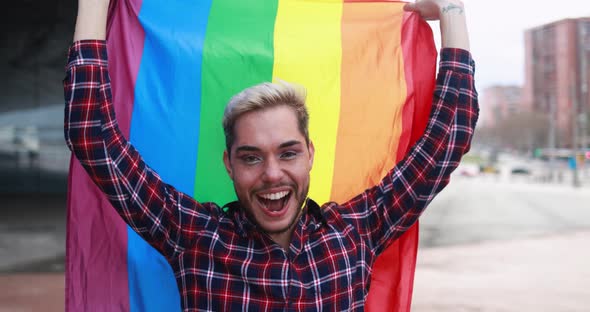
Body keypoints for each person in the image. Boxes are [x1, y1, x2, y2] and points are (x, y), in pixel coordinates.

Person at [64, 0, 478, 310]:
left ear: (310, 155)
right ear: (228, 165)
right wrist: (94, 5)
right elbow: (92, 135)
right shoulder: (195, 237)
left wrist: (450, 9)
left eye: (288, 152)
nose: (272, 174)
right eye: (251, 157)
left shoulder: (355, 232)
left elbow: (448, 137)